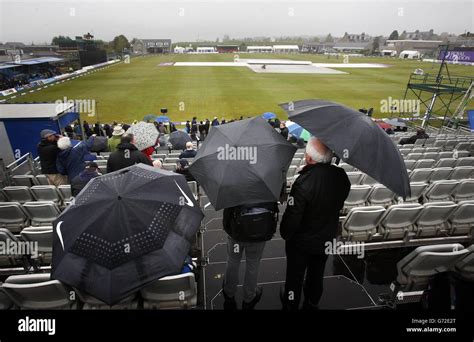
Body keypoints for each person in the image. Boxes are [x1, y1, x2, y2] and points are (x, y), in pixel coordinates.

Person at [280, 137, 350, 310]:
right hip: (326, 237)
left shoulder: (303, 182)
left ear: (310, 159)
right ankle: (312, 301)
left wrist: (285, 233)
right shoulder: (341, 176)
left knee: (295, 277)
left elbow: (293, 217)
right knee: (317, 273)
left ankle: (291, 304)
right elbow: (339, 202)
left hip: (301, 243)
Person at [222, 201, 279, 310]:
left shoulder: (233, 184)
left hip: (237, 232)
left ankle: (229, 293)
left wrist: (229, 229)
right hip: (259, 231)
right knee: (253, 264)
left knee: (233, 261)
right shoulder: (267, 186)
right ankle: (249, 297)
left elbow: (228, 211)